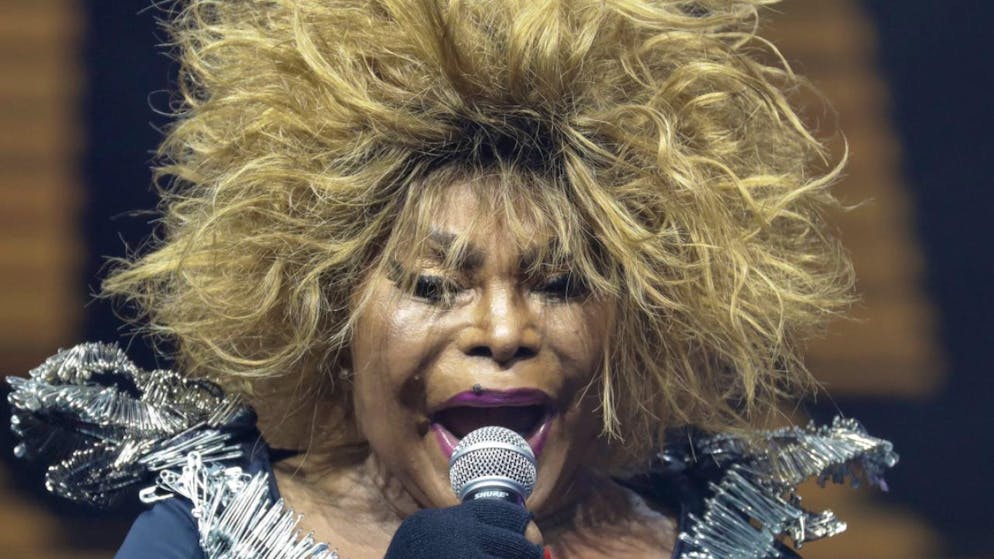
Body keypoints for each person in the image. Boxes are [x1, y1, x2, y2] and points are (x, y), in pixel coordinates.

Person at [6, 1, 897, 558]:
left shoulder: (727, 546)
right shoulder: (201, 538)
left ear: (637, 320)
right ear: (330, 312)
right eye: (434, 284)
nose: (503, 330)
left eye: (559, 283)